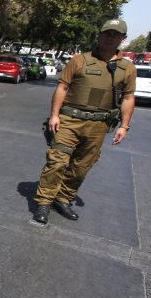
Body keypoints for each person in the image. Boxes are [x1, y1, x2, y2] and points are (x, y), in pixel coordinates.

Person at [32, 19, 137, 225]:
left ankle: (62, 199)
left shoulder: (127, 68)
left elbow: (128, 98)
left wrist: (124, 126)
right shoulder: (79, 60)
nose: (109, 38)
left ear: (122, 39)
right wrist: (54, 115)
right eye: (106, 33)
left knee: (82, 166)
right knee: (57, 162)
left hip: (99, 125)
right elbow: (62, 88)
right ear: (99, 35)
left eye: (115, 35)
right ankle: (44, 202)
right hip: (69, 120)